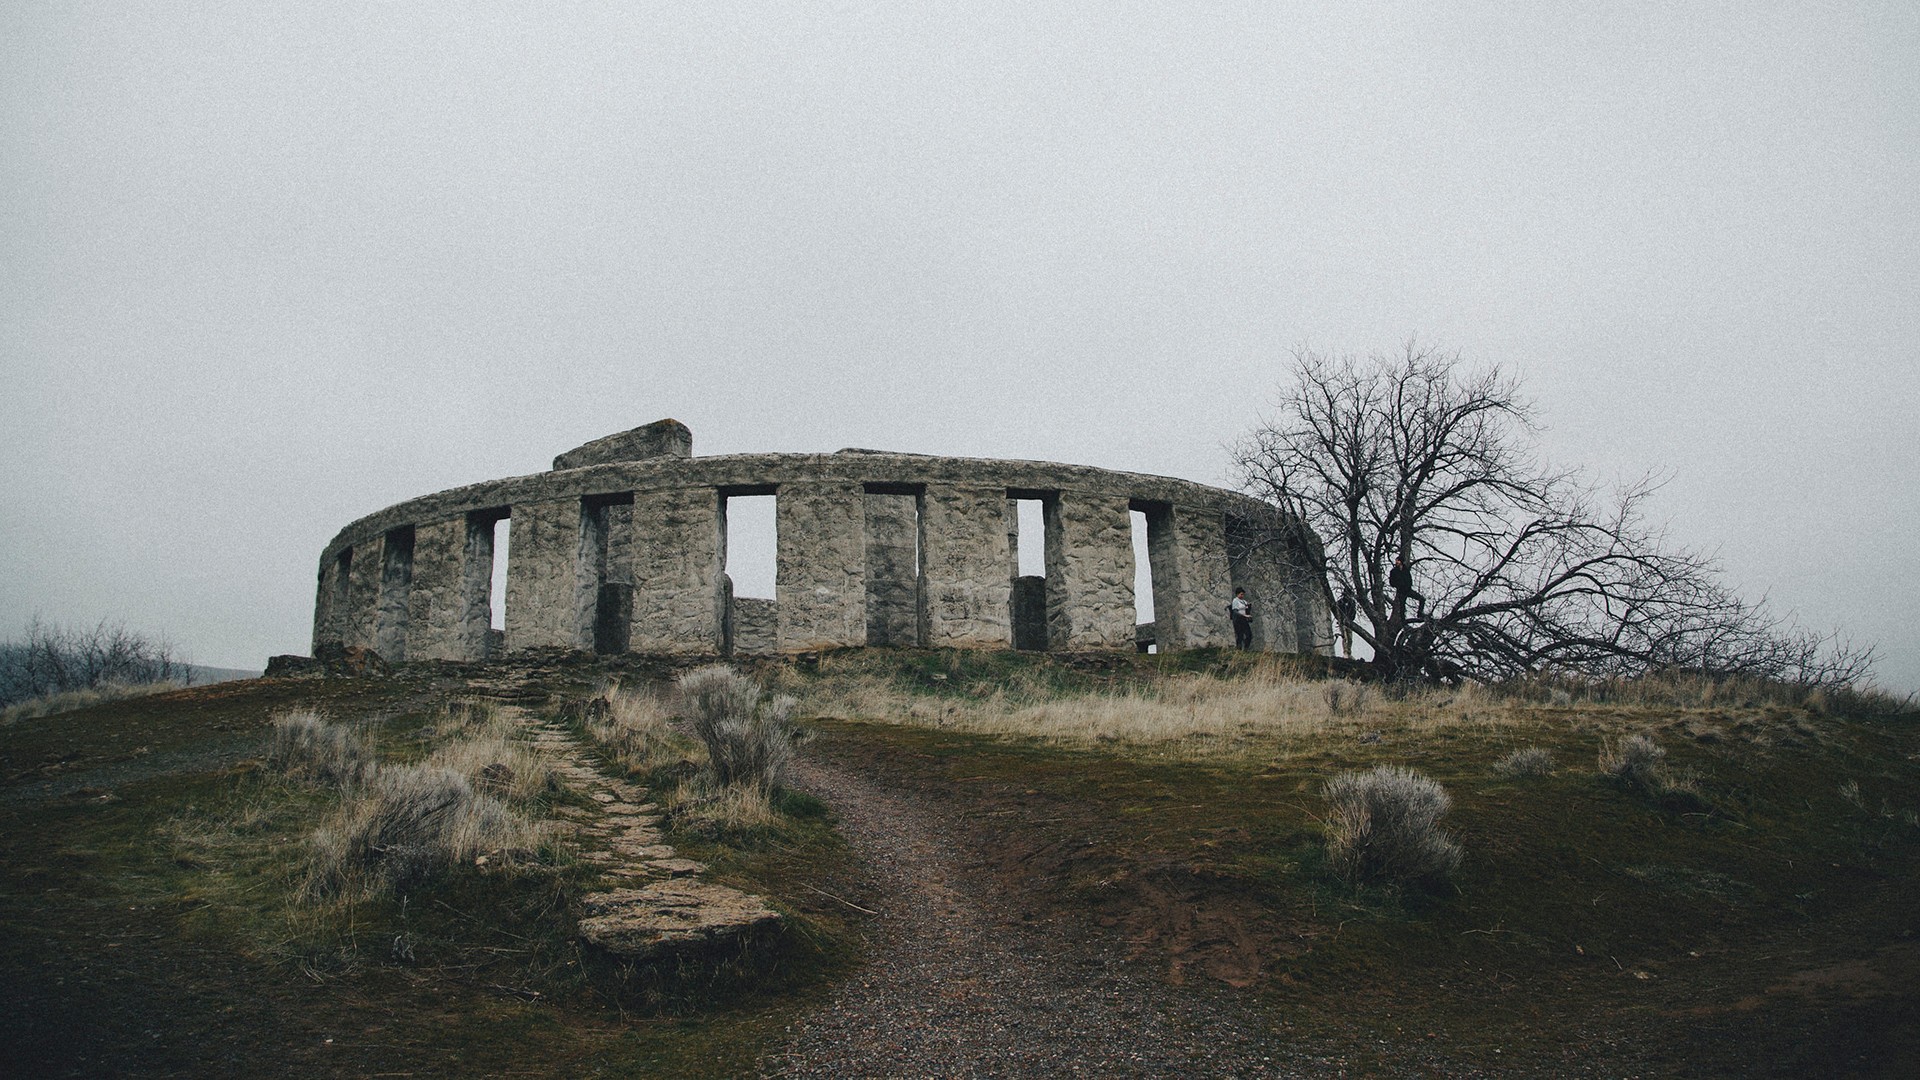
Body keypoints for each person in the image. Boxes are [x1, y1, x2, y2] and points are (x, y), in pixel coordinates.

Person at [1389, 556, 1425, 620]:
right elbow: (1391, 582)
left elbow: (1409, 579)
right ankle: (1403, 621)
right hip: (1401, 591)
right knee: (1402, 607)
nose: (1397, 562)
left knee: (1422, 599)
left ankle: (1420, 613)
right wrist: (1399, 586)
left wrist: (1409, 586)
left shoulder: (1405, 570)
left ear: (1401, 561)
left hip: (1408, 590)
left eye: (1398, 560)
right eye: (1396, 560)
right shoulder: (1393, 571)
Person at [1336, 585, 1357, 658]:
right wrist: (1340, 620)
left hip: (1350, 622)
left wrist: (1351, 619)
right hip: (1342, 622)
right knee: (1345, 637)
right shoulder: (1340, 602)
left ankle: (1349, 652)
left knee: (1350, 638)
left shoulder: (1352, 602)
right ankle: (1345, 652)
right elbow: (1338, 612)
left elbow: (1354, 612)